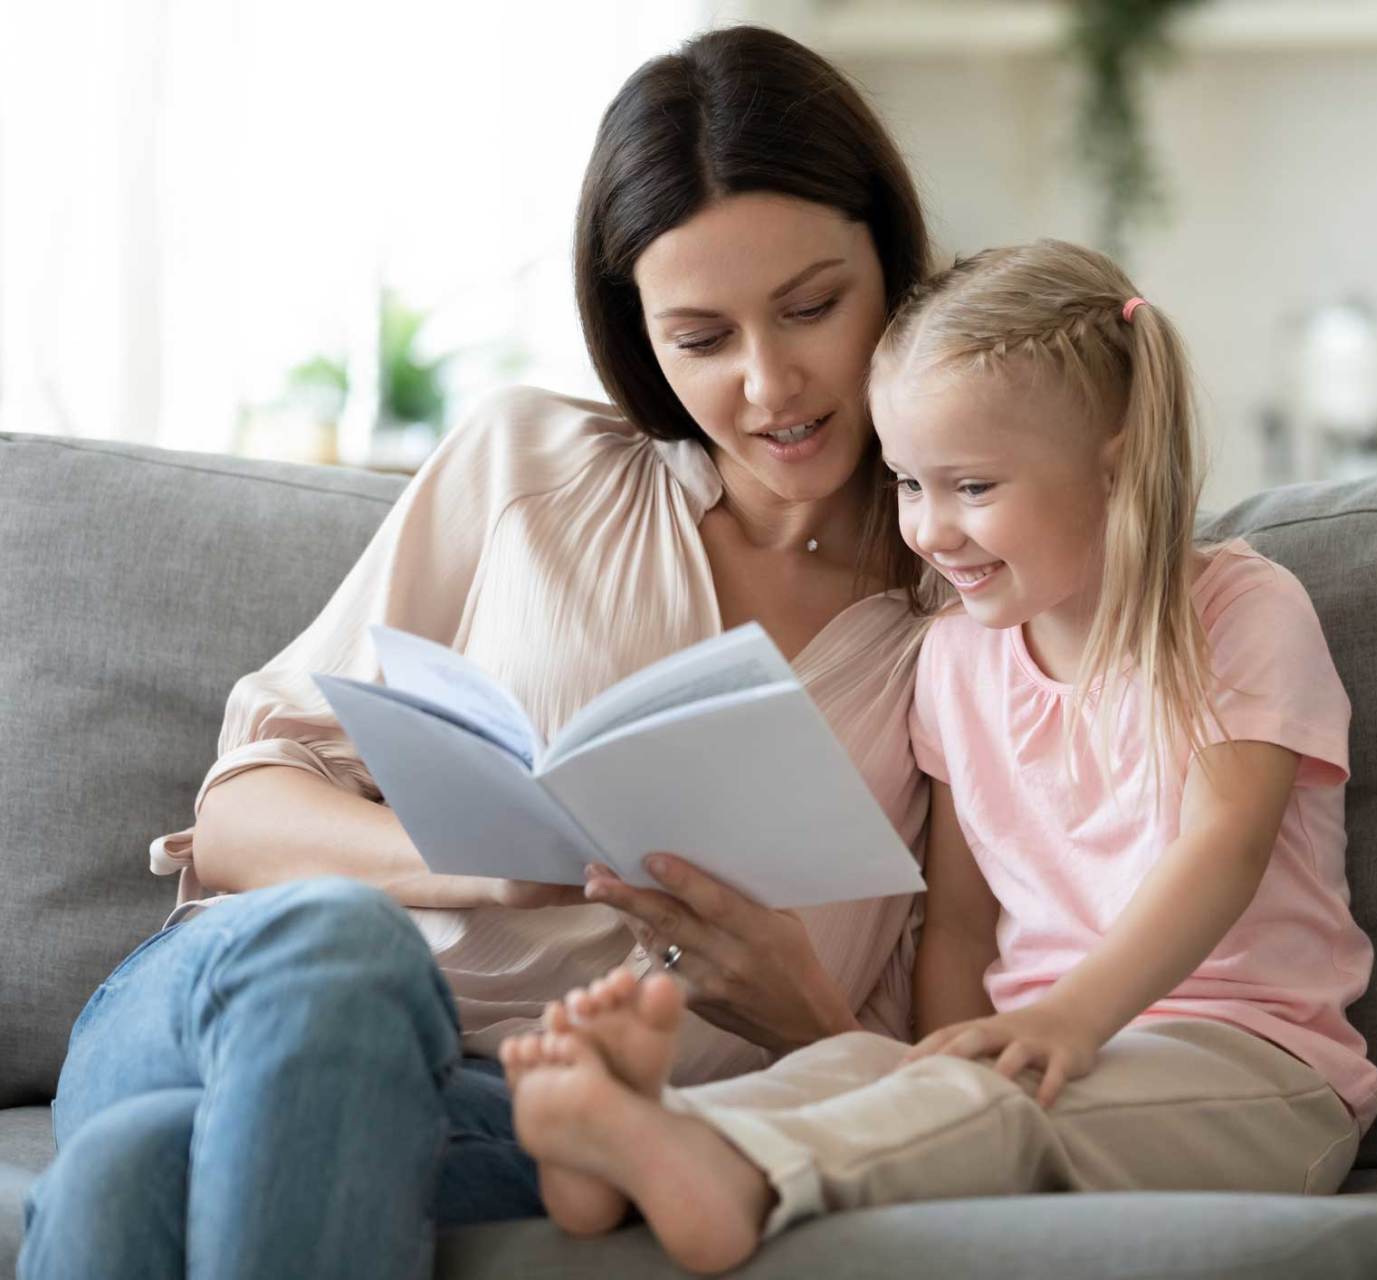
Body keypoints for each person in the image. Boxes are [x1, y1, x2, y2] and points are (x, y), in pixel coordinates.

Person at [19, 25, 940, 1280]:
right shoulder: (531, 467)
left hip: (536, 1117)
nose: (770, 384)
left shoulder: (970, 611)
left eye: (811, 307)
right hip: (234, 1000)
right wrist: (472, 865)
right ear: (637, 333)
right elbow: (238, 813)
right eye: (702, 337)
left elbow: (949, 1065)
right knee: (346, 950)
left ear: (891, 265)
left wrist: (800, 1008)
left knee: (138, 1173)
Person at [497, 239, 1377, 1275]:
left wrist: (1072, 1014)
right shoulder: (956, 660)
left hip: (1256, 1066)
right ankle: (639, 1136)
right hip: (1036, 1049)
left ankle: (721, 1166)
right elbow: (960, 923)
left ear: (1114, 460)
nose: (928, 528)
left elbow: (1223, 847)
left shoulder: (1237, 610)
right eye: (908, 482)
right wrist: (925, 1058)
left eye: (971, 484)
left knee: (989, 1106)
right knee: (882, 1074)